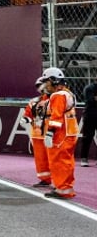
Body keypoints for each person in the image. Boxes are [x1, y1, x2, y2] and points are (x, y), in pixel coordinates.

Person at [39, 67, 79, 199]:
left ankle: (62, 189)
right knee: (67, 161)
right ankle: (66, 186)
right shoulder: (67, 93)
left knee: (58, 161)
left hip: (61, 134)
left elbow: (56, 117)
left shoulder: (58, 95)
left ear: (52, 80)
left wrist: (50, 133)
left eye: (46, 82)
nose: (45, 85)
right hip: (70, 132)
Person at [22, 80, 52, 188]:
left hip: (50, 134)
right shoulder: (33, 101)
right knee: (40, 159)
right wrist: (25, 120)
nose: (40, 88)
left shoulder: (55, 99)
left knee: (53, 158)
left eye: (42, 85)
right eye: (38, 86)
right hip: (37, 134)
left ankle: (58, 181)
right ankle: (44, 179)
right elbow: (27, 115)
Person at [78, 79, 97, 167]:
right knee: (87, 137)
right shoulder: (89, 88)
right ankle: (84, 158)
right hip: (90, 115)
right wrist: (94, 99)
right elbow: (91, 101)